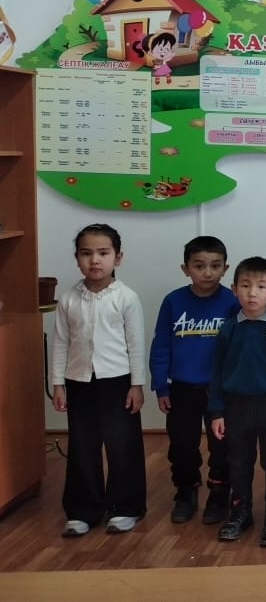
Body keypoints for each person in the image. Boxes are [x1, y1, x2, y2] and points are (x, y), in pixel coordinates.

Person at [50, 223, 147, 537]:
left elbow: (136, 344)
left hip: (118, 382)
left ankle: (126, 507)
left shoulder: (126, 298)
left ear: (118, 258)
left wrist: (137, 385)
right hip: (79, 381)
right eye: (86, 253)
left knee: (122, 446)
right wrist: (58, 383)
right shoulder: (68, 299)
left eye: (103, 253)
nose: (94, 260)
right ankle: (83, 510)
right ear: (77, 258)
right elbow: (61, 343)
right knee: (82, 445)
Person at [149, 235, 238, 526]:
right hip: (181, 388)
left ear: (225, 268)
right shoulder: (173, 301)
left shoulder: (232, 302)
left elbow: (241, 347)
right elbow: (161, 344)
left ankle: (219, 493)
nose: (207, 272)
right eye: (199, 266)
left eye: (215, 265)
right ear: (185, 268)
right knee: (182, 445)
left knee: (222, 446)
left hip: (220, 390)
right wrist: (161, 385)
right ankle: (186, 491)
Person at [209, 257, 266, 546]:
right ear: (234, 289)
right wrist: (217, 411)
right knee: (238, 462)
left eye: (260, 286)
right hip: (236, 407)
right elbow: (217, 371)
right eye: (245, 286)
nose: (252, 293)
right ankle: (240, 511)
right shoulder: (228, 328)